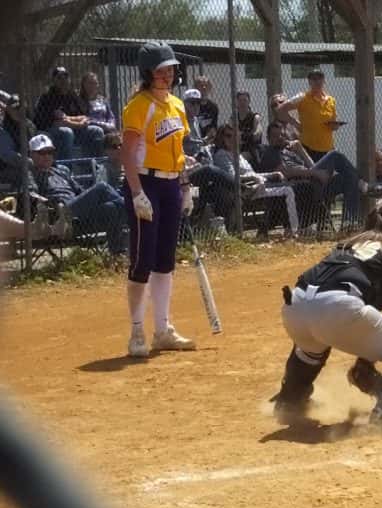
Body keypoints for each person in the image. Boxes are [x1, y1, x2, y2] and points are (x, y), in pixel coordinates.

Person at [271, 199, 382, 428]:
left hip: (295, 307)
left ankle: (289, 402)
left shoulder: (346, 246)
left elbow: (362, 323)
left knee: (313, 345)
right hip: (337, 308)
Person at [121, 41, 196, 358]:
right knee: (143, 260)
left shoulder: (177, 105)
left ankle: (163, 330)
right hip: (146, 183)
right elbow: (127, 153)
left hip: (170, 185)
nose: (168, 75)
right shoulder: (139, 105)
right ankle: (137, 330)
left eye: (170, 69)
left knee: (165, 260)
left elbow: (179, 151)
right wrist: (137, 193)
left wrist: (185, 186)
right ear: (148, 73)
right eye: (161, 70)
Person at [29, 133, 126, 254]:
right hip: (58, 217)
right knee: (102, 187)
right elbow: (32, 195)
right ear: (32, 155)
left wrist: (89, 198)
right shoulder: (31, 174)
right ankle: (132, 212)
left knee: (111, 207)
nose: (47, 156)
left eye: (50, 152)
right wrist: (50, 204)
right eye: (42, 152)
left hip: (79, 214)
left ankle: (117, 254)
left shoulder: (61, 171)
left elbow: (80, 191)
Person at [211, 123, 301, 237]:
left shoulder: (238, 155)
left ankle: (283, 227)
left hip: (256, 184)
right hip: (244, 188)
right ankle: (291, 229)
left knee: (285, 187)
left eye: (235, 136)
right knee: (286, 190)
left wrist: (271, 174)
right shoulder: (222, 154)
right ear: (221, 138)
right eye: (228, 136)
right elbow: (231, 177)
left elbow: (253, 174)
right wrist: (253, 178)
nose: (232, 139)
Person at [276, 69, 344, 162]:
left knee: (327, 171)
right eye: (314, 79)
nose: (317, 81)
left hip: (328, 147)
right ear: (309, 82)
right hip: (308, 147)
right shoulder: (302, 97)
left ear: (324, 81)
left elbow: (333, 122)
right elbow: (280, 110)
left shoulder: (331, 100)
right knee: (312, 171)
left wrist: (335, 126)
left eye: (320, 78)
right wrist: (295, 123)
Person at [33, 66, 93, 160]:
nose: (63, 80)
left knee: (96, 130)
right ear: (54, 80)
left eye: (66, 77)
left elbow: (84, 116)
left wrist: (78, 121)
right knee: (66, 132)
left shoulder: (72, 94)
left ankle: (96, 165)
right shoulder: (47, 96)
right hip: (49, 129)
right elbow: (59, 122)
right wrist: (79, 123)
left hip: (73, 127)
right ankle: (66, 166)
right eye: (59, 78)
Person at [79, 72, 117, 156]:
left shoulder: (102, 100)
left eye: (95, 83)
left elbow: (111, 116)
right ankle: (100, 160)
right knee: (98, 131)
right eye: (90, 83)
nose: (93, 86)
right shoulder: (79, 101)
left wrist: (111, 125)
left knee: (116, 135)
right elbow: (85, 118)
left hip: (105, 127)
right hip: (90, 129)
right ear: (83, 85)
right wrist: (102, 125)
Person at [235, 90, 263, 160]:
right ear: (236, 102)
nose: (242, 103)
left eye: (245, 100)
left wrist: (242, 136)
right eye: (240, 100)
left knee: (240, 158)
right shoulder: (234, 119)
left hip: (252, 149)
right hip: (238, 148)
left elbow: (257, 134)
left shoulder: (255, 117)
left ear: (249, 101)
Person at [193, 75, 219, 140]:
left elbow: (213, 128)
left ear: (210, 88)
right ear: (195, 88)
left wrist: (207, 139)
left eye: (206, 85)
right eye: (201, 85)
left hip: (207, 140)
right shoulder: (191, 105)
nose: (204, 88)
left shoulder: (213, 107)